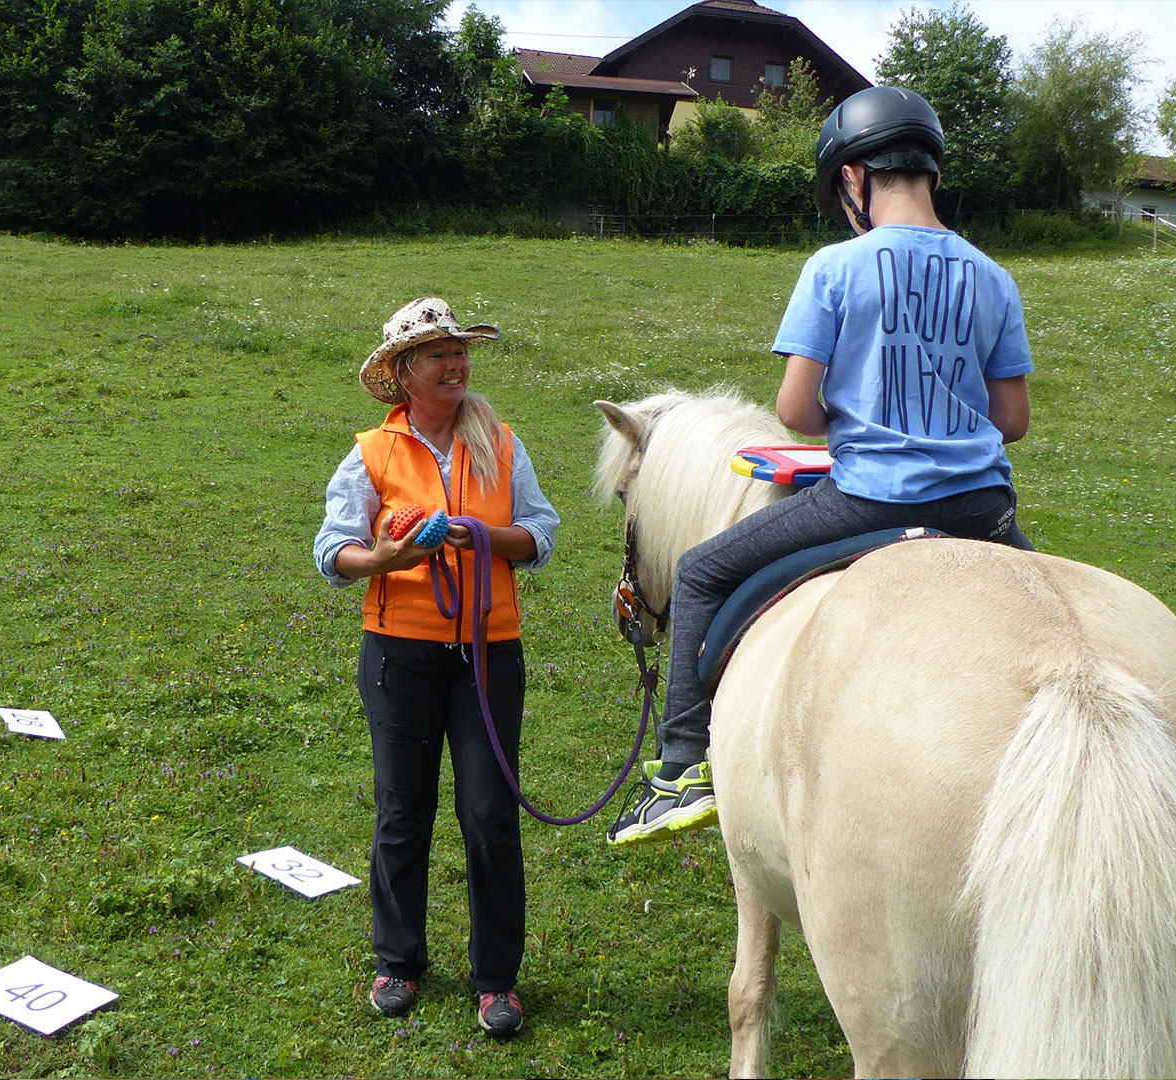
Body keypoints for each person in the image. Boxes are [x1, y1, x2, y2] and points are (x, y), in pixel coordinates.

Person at [607, 86, 1035, 847]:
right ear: (931, 171)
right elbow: (1013, 421)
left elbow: (796, 410)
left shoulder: (835, 268)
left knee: (701, 571)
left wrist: (867, 416)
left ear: (852, 179)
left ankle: (681, 769)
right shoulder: (994, 277)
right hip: (982, 508)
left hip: (869, 500)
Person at [313, 297, 561, 1036]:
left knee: (489, 814)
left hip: (488, 656)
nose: (455, 366)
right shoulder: (372, 453)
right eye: (437, 355)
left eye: (459, 352)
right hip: (400, 654)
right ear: (403, 372)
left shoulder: (502, 444)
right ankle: (398, 962)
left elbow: (541, 534)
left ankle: (497, 980)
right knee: (402, 811)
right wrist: (382, 560)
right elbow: (331, 550)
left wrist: (486, 534)